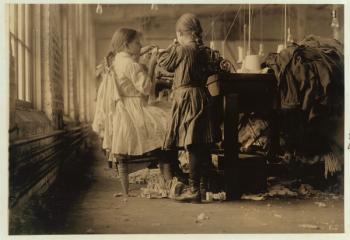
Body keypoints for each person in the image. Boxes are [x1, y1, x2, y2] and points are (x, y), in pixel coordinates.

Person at [100, 28, 180, 196]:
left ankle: (168, 174)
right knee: (170, 122)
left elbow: (130, 62)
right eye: (137, 43)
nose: (141, 45)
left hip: (123, 111)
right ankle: (171, 174)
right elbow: (147, 89)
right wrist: (151, 65)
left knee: (166, 120)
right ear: (126, 45)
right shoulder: (131, 65)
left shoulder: (117, 61)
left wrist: (143, 51)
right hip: (135, 111)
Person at [158, 13, 221, 203]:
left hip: (186, 97)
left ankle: (194, 190)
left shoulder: (182, 49)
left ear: (180, 33)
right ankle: (200, 188)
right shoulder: (204, 51)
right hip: (201, 96)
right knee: (199, 143)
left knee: (192, 144)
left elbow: (164, 65)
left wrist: (173, 45)